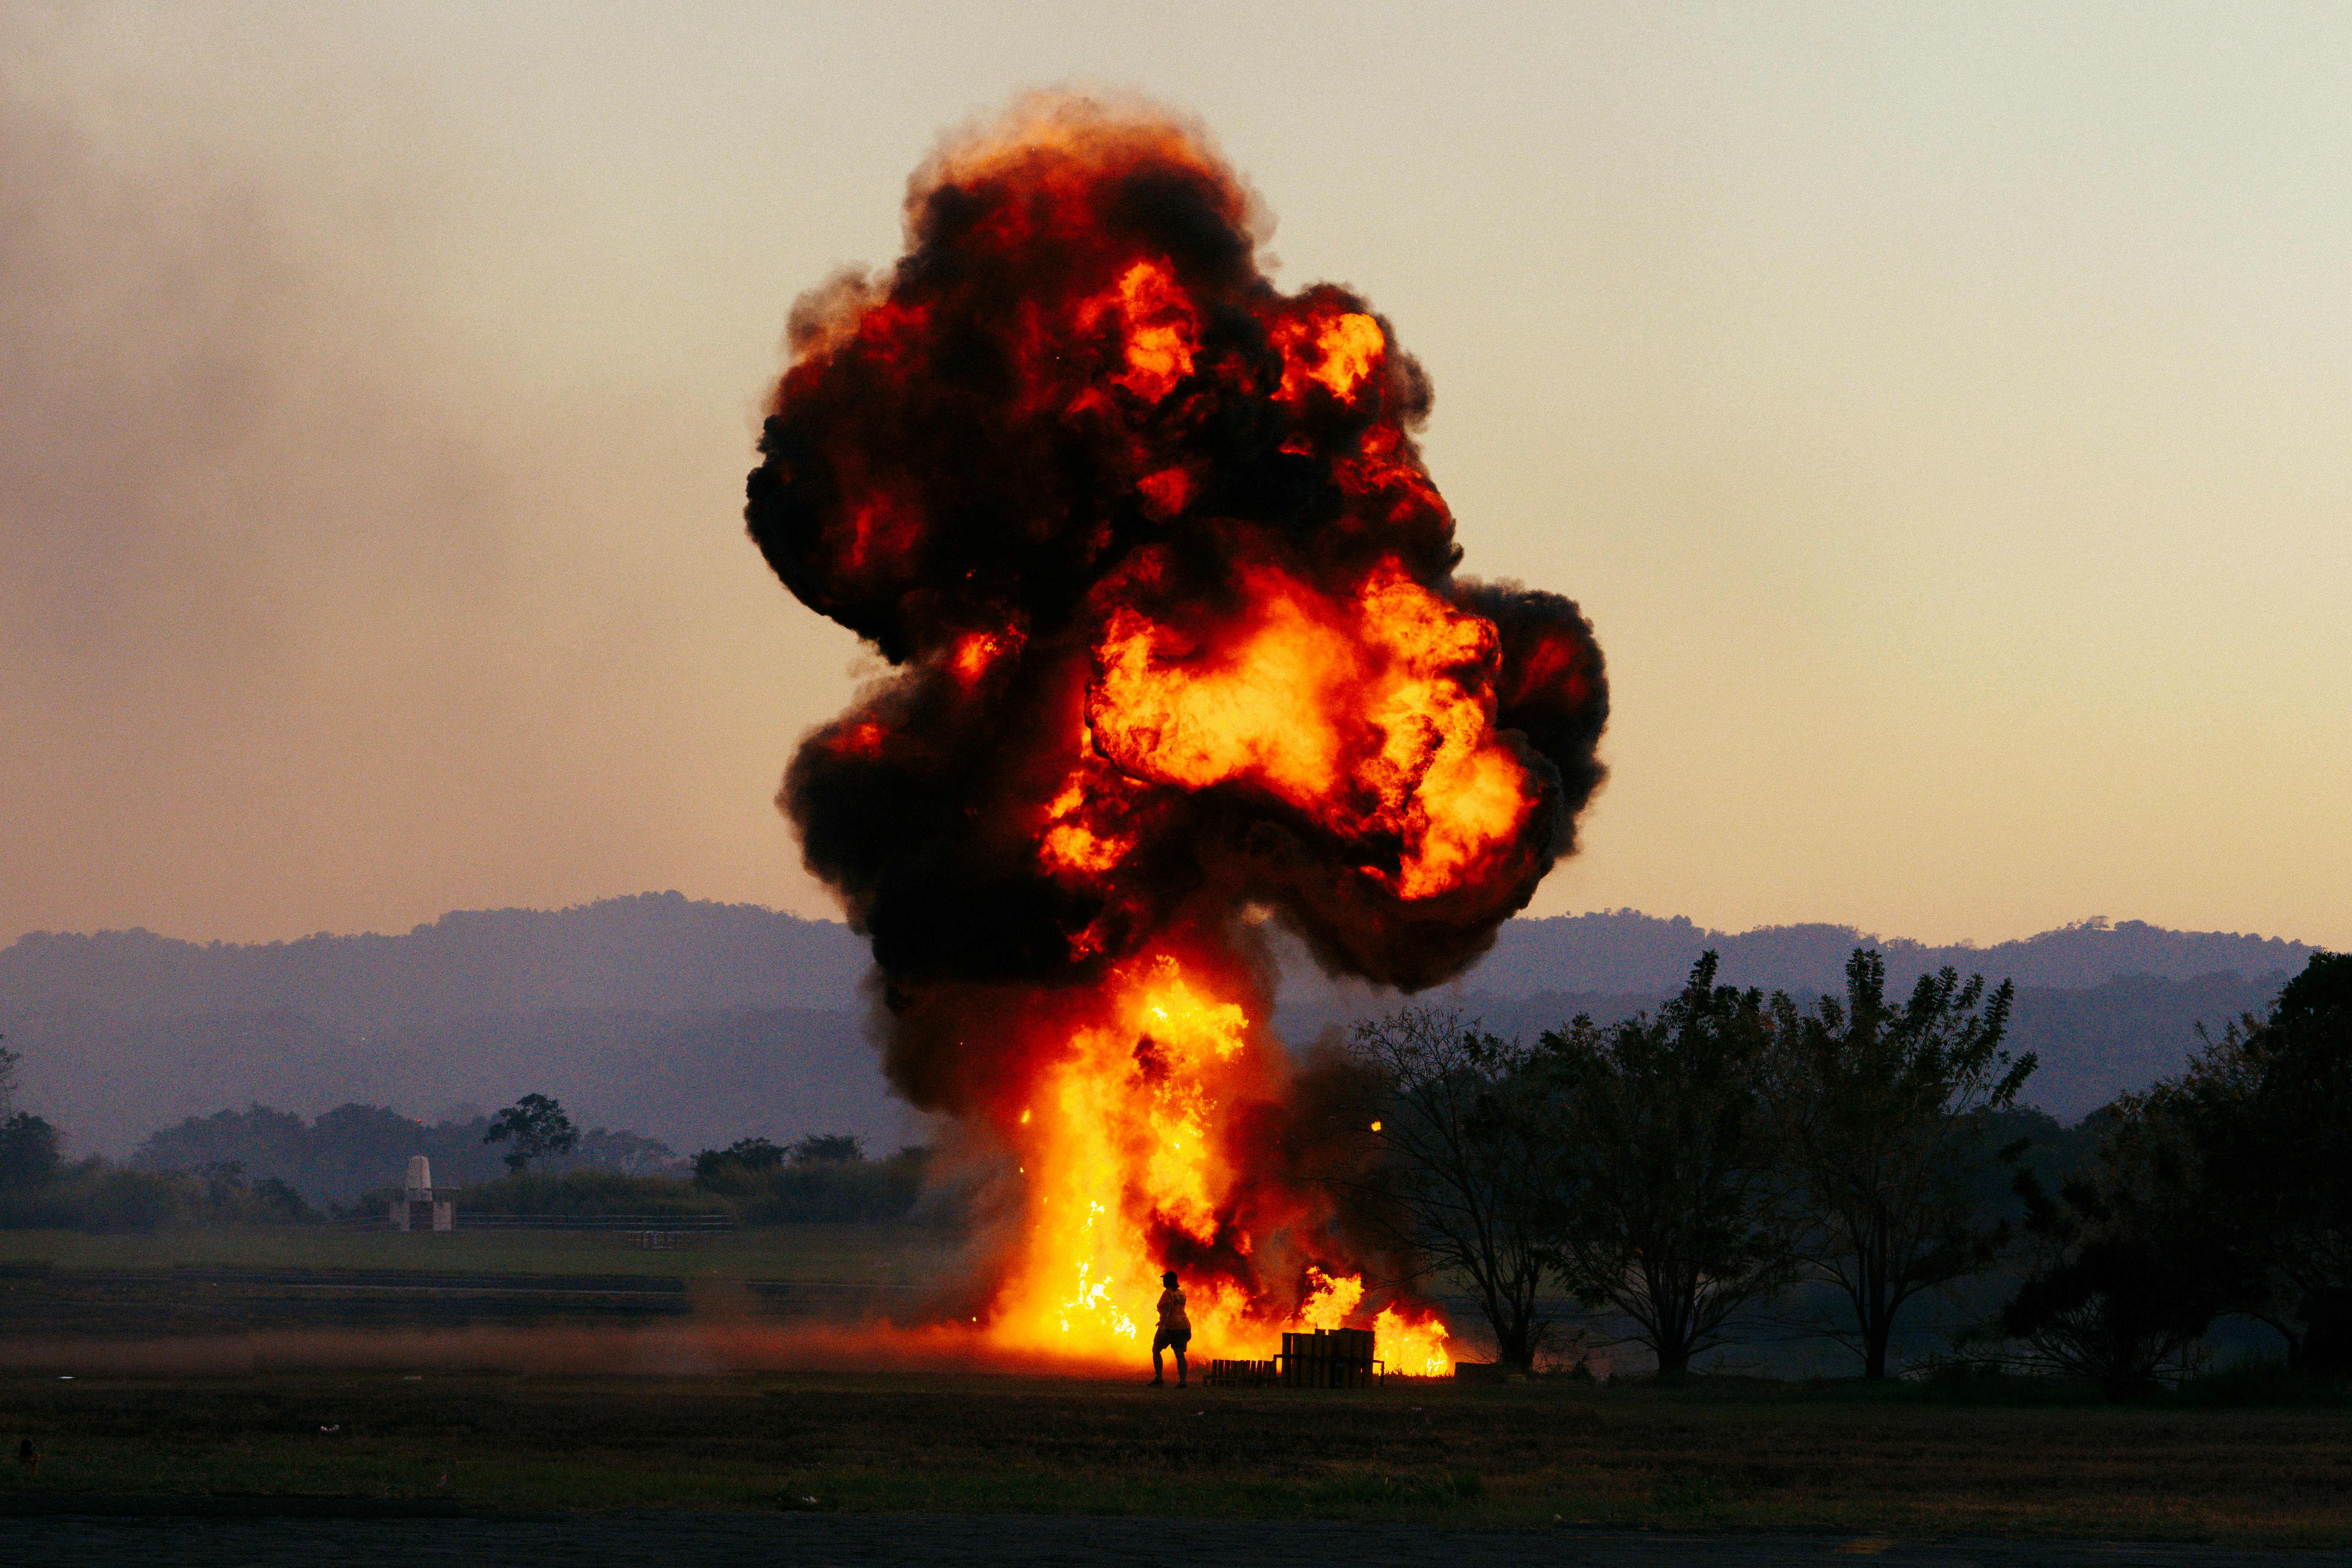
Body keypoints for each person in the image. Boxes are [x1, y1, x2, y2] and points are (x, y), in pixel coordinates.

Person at [1150, 1269, 1190, 1387]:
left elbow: (1167, 1310)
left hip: (1170, 1327)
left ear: (1169, 1281)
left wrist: (1163, 1325)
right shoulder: (1181, 1293)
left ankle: (1159, 1379)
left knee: (1156, 1350)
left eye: (1165, 1279)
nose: (1163, 1281)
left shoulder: (1167, 1294)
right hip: (1184, 1326)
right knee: (1180, 1354)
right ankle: (1183, 1382)